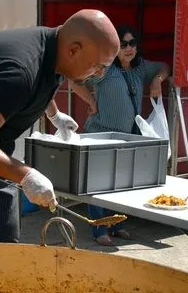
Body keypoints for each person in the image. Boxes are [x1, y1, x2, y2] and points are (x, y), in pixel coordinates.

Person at [0, 10, 120, 243]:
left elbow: (39, 84)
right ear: (73, 50)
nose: (100, 73)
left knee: (6, 232)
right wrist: (25, 175)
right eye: (97, 65)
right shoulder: (19, 70)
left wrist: (54, 115)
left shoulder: (57, 51)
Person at [71, 25, 170, 245]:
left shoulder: (141, 68)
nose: (128, 48)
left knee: (120, 184)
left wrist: (157, 80)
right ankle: (99, 230)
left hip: (127, 139)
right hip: (100, 135)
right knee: (97, 184)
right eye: (123, 44)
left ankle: (117, 225)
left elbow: (165, 67)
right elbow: (75, 80)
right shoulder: (105, 69)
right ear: (115, 47)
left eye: (132, 43)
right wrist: (90, 101)